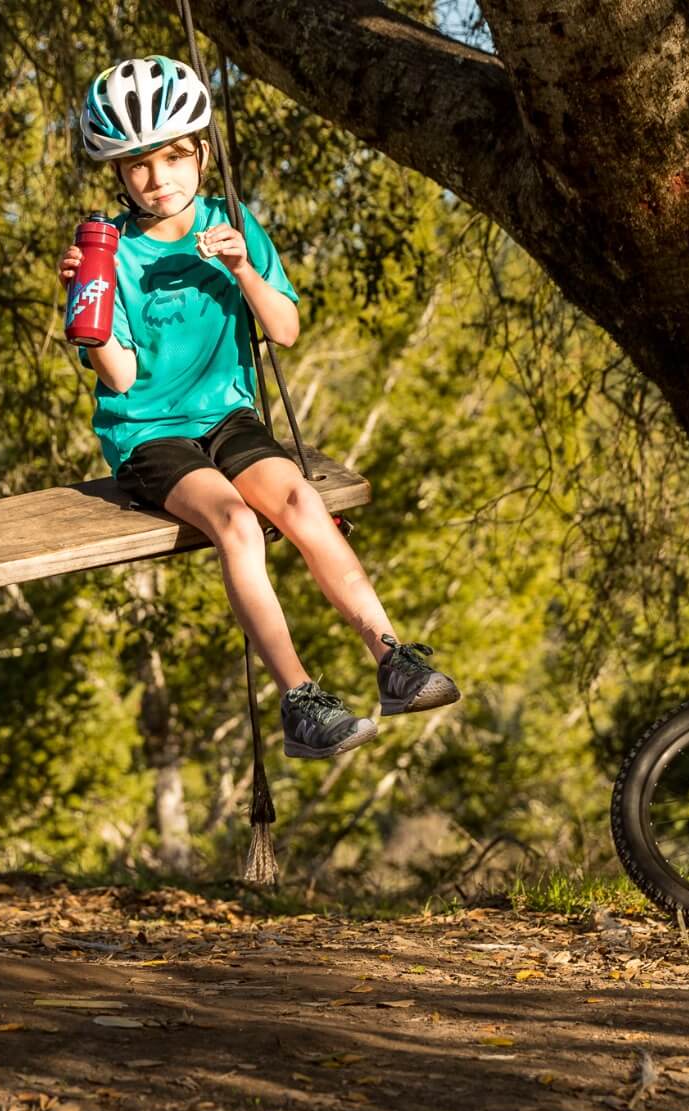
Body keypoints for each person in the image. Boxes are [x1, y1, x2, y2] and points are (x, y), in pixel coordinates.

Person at [60, 57, 460, 759]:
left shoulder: (233, 223)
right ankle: (300, 698)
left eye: (176, 157)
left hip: (229, 417)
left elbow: (285, 330)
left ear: (203, 152)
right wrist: (86, 308)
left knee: (303, 503)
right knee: (237, 525)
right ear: (119, 175)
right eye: (139, 166)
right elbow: (121, 380)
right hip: (151, 436)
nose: (160, 180)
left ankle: (391, 656)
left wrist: (242, 267)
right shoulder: (111, 253)